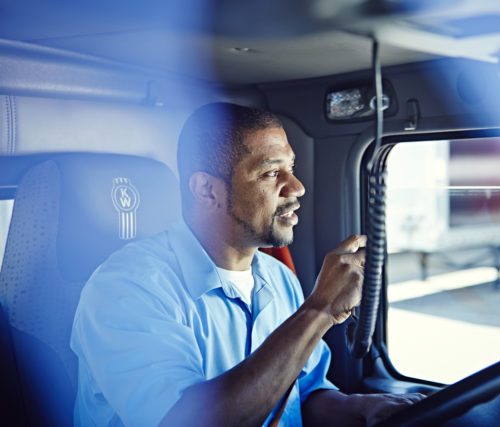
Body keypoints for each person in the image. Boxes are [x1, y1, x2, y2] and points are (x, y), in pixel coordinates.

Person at [71, 102, 423, 426]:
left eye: (292, 168)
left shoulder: (278, 278)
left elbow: (300, 395)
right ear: (207, 191)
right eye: (272, 173)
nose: (297, 187)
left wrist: (365, 409)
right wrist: (318, 311)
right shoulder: (126, 288)